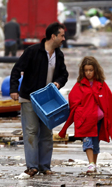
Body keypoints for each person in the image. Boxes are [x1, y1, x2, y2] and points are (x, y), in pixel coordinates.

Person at [9, 23, 68, 177]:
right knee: (31, 131)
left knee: (47, 133)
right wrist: (14, 89)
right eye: (61, 35)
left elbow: (64, 74)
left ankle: (45, 167)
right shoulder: (32, 51)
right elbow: (16, 69)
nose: (64, 38)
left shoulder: (59, 55)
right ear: (53, 36)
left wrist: (58, 83)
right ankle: (32, 167)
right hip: (29, 97)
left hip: (47, 101)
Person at [59, 56, 112, 173]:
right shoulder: (79, 85)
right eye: (86, 70)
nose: (88, 73)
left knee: (96, 142)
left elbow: (109, 103)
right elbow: (73, 101)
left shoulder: (102, 84)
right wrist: (80, 112)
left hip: (98, 120)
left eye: (91, 70)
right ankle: (91, 163)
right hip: (85, 120)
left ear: (95, 70)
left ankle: (94, 164)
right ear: (82, 71)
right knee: (87, 141)